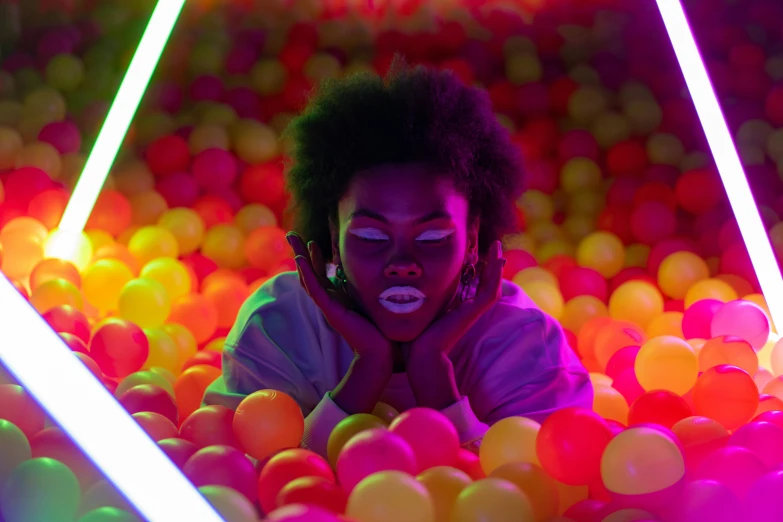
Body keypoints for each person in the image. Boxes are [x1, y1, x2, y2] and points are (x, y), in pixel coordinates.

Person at [203, 57, 593, 458]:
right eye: (371, 236)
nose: (402, 262)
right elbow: (235, 489)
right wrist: (367, 369)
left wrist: (435, 377)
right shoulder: (279, 325)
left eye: (433, 237)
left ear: (472, 237)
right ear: (334, 238)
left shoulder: (524, 344)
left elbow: (542, 493)